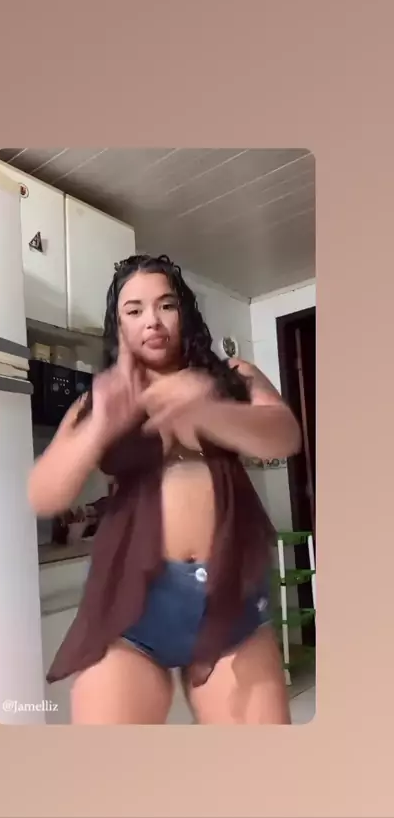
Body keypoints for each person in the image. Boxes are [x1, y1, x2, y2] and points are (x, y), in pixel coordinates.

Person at [28, 254, 301, 724]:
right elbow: (43, 494)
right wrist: (100, 427)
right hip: (131, 604)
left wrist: (207, 409)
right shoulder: (100, 397)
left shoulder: (233, 376)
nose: (152, 321)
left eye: (166, 305)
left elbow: (284, 435)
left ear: (184, 312)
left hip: (229, 595)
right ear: (118, 325)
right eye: (134, 310)